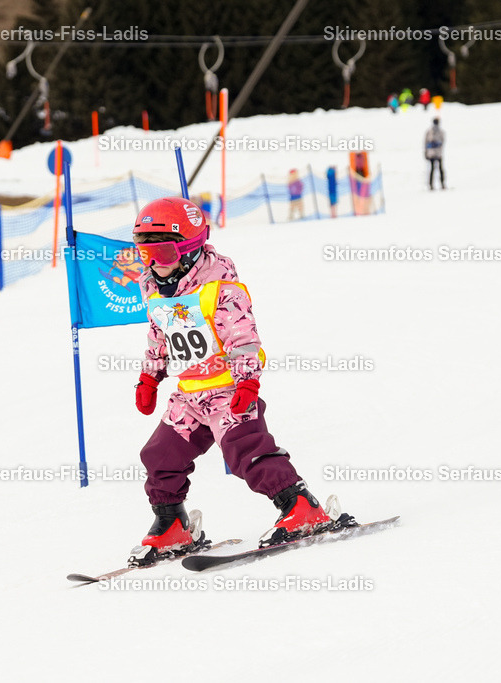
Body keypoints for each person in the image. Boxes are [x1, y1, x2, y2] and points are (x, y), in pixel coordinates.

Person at [128, 197, 355, 566]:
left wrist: (248, 383)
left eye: (163, 253)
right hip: (189, 395)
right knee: (160, 455)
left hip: (228, 390)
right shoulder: (152, 287)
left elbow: (243, 340)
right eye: (144, 254)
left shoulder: (221, 290)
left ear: (188, 249)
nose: (154, 263)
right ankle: (172, 525)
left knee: (246, 451)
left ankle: (300, 506)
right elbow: (159, 335)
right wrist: (149, 376)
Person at [425, 117, 446, 190]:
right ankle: (438, 184)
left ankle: (435, 184)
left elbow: (426, 143)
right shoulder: (433, 131)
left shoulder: (431, 131)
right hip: (435, 153)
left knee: (435, 169)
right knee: (437, 169)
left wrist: (426, 152)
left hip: (434, 153)